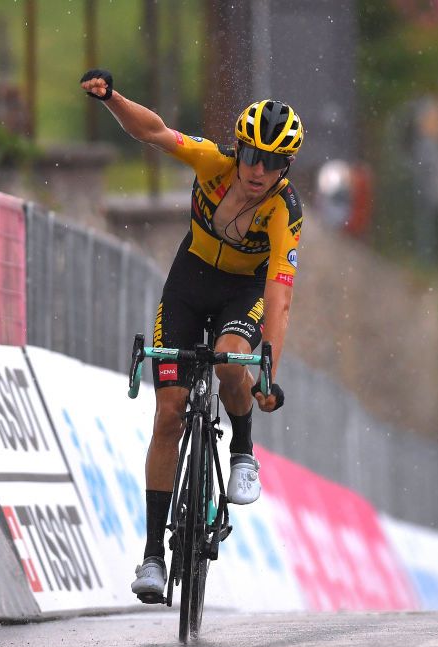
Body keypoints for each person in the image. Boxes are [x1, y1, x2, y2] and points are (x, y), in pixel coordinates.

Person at [80, 69, 303, 603]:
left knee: (231, 362)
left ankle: (243, 451)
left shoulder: (284, 211)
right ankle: (154, 556)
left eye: (273, 162)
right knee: (169, 411)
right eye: (252, 154)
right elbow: (154, 133)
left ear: (285, 167)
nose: (258, 170)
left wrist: (268, 369)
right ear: (239, 148)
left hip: (242, 291)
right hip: (190, 279)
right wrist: (113, 98)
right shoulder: (212, 163)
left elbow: (280, 293)